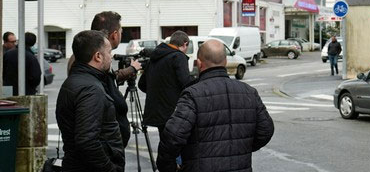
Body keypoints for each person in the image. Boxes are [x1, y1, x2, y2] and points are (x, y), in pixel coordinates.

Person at [157, 39, 274, 172]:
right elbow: (266, 131)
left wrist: (169, 167)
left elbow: (172, 137)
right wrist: (242, 147)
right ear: (225, 62)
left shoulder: (193, 95)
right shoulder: (249, 92)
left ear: (199, 63)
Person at [68, 11, 141, 147]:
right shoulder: (87, 60)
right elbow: (88, 135)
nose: (111, 56)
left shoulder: (84, 55)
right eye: (121, 31)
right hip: (102, 148)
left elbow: (109, 78)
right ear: (114, 34)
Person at [56, 30, 125, 172]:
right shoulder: (91, 89)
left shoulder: (74, 80)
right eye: (109, 52)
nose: (111, 57)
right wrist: (110, 169)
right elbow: (87, 141)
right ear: (98, 56)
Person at [138, 30, 191, 137]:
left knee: (165, 144)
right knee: (175, 145)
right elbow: (186, 83)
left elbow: (142, 84)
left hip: (156, 113)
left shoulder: (155, 57)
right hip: (173, 112)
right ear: (185, 44)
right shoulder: (178, 57)